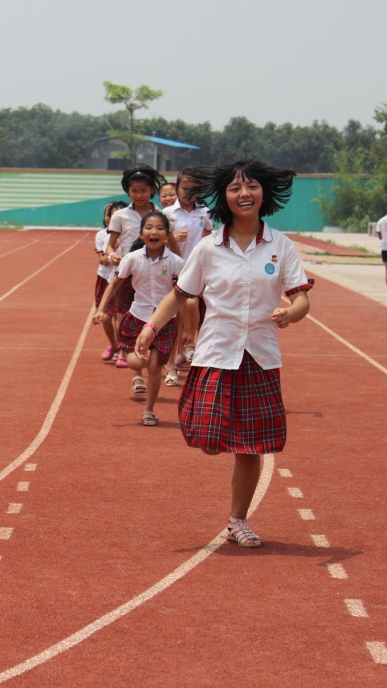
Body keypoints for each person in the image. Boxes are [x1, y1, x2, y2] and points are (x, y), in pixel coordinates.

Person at [135, 157, 312, 548]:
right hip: (216, 351)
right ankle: (215, 440)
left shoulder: (281, 246)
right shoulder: (208, 249)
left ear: (263, 193)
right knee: (211, 441)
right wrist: (151, 327)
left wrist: (290, 314)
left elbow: (301, 299)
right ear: (224, 198)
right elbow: (179, 296)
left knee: (251, 447)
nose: (244, 194)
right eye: (235, 188)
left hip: (260, 356)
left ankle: (238, 521)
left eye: (251, 187)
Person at [94, 211, 184, 426]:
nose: (154, 232)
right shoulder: (131, 259)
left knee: (154, 365)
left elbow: (185, 294)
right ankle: (133, 364)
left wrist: (187, 328)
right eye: (149, 228)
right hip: (137, 318)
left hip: (164, 322)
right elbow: (114, 284)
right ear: (141, 233)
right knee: (136, 362)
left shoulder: (176, 262)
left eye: (160, 228)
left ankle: (149, 410)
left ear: (167, 234)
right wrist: (101, 309)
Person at [104, 165, 180, 368]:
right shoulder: (120, 216)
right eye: (134, 191)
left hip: (155, 268)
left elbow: (171, 243)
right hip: (128, 268)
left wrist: (180, 261)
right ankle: (124, 348)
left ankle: (153, 352)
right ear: (128, 191)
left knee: (154, 312)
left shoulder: (162, 215)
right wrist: (113, 255)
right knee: (123, 313)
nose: (139, 195)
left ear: (151, 191)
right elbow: (111, 244)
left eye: (143, 191)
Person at [163, 168, 214, 384]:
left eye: (195, 189)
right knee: (175, 315)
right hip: (174, 268)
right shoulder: (168, 214)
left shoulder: (205, 212)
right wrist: (172, 238)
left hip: (198, 269)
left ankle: (191, 346)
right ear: (177, 188)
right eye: (185, 188)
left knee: (197, 309)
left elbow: (209, 236)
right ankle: (172, 363)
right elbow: (156, 238)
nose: (189, 193)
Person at [96, 201, 125, 361]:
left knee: (120, 317)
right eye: (111, 214)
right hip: (106, 279)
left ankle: (123, 350)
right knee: (106, 317)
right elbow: (102, 260)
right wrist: (112, 252)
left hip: (123, 278)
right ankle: (114, 344)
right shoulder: (102, 235)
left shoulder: (130, 232)